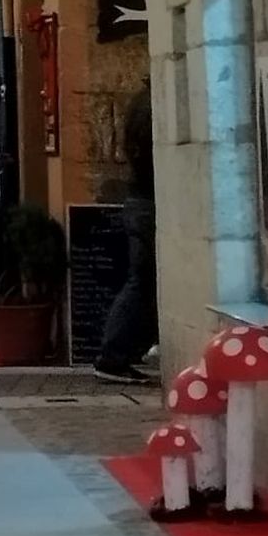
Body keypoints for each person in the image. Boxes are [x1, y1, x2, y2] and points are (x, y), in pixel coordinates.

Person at [95, 82, 157, 383]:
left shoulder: (140, 103)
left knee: (142, 282)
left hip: (139, 199)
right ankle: (115, 355)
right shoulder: (153, 104)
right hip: (149, 200)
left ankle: (128, 350)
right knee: (142, 283)